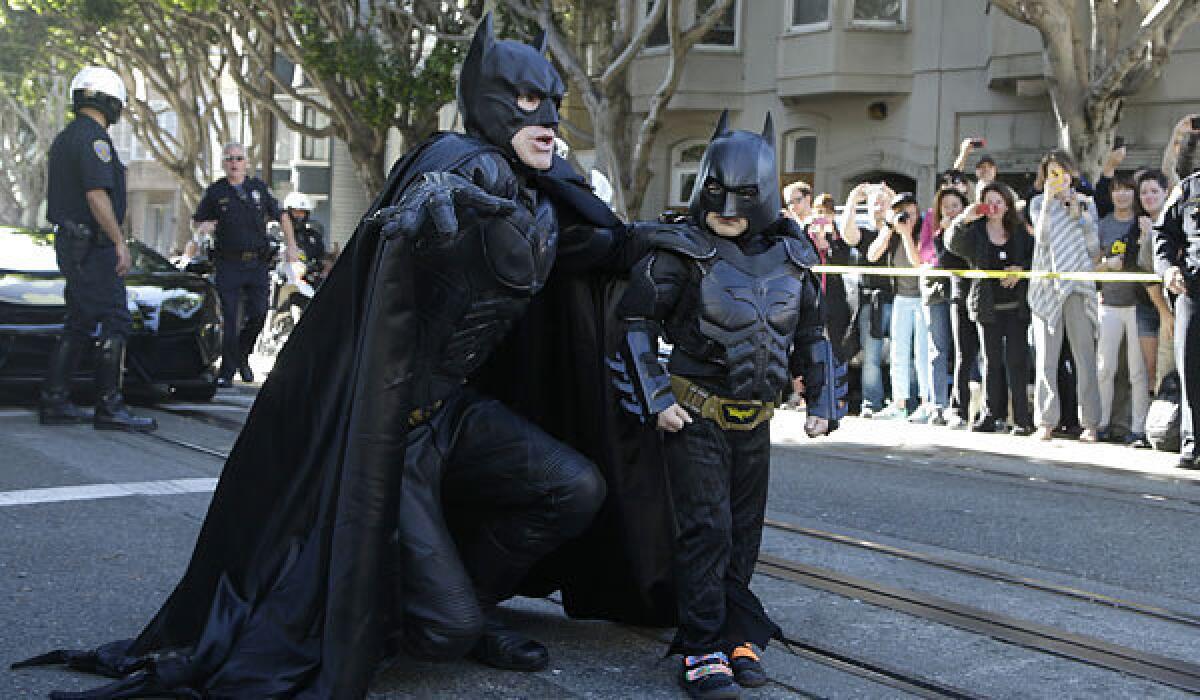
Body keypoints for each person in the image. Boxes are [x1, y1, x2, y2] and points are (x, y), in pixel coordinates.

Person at [17, 16, 676, 697]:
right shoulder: (456, 160)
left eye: (554, 102)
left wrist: (634, 243)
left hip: (455, 414)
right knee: (442, 633)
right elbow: (422, 195)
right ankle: (419, 612)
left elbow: (573, 252)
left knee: (575, 487)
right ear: (488, 98)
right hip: (389, 431)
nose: (547, 118)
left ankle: (467, 602)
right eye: (528, 101)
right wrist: (432, 198)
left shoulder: (543, 187)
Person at [611, 111, 843, 700]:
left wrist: (823, 396)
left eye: (744, 197)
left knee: (742, 533)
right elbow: (634, 324)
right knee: (706, 529)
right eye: (718, 194)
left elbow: (812, 333)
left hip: (754, 421)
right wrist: (655, 396)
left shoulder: (793, 257)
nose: (729, 208)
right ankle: (700, 645)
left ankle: (737, 633)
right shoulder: (681, 252)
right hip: (694, 414)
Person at [37, 66, 156, 433]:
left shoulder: (68, 136)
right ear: (109, 100)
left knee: (80, 320)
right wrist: (120, 242)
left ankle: (55, 400)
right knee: (115, 319)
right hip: (91, 245)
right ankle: (110, 407)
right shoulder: (94, 140)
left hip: (74, 243)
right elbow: (96, 194)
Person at [193, 142, 298, 387]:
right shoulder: (215, 192)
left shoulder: (258, 189)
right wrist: (204, 228)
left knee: (260, 314)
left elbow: (281, 215)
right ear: (223, 163)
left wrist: (291, 245)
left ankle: (243, 355)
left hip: (257, 263)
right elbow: (198, 221)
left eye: (239, 158)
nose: (234, 163)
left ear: (246, 162)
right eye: (229, 159)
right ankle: (227, 372)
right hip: (228, 263)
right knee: (229, 320)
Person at [945, 183, 1035, 434]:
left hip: (1016, 307)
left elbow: (1034, 256)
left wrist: (1021, 271)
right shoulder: (975, 232)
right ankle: (990, 414)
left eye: (999, 201)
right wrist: (964, 218)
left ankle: (1021, 419)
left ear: (1007, 204)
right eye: (989, 201)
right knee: (991, 362)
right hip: (988, 307)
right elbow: (953, 245)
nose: (994, 207)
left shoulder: (1018, 231)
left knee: (1017, 361)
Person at [1028, 151, 1103, 442]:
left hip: (1079, 286)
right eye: (1051, 173)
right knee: (1046, 357)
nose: (1057, 179)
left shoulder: (1087, 203)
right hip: (1048, 285)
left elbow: (1094, 248)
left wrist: (1080, 215)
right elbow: (1043, 237)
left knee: (1085, 357)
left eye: (1062, 172)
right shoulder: (1037, 204)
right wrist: (1048, 201)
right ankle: (1045, 422)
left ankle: (1091, 423)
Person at [1094, 174, 1151, 446]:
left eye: (1128, 190)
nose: (1122, 195)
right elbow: (1090, 266)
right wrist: (1107, 265)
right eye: (1117, 190)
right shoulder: (1103, 224)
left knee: (1138, 372)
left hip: (1139, 304)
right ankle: (1101, 424)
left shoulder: (1143, 222)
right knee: (1105, 368)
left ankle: (1139, 428)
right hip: (1109, 303)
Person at [1155, 139, 1200, 469]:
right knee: (1191, 366)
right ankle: (1193, 442)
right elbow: (1163, 236)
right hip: (1193, 289)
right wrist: (1168, 268)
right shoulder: (1188, 190)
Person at [869, 193, 932, 421]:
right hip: (901, 298)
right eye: (902, 213)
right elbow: (872, 255)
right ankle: (899, 403)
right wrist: (889, 228)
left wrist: (906, 233)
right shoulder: (893, 233)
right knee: (898, 352)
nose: (907, 218)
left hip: (923, 298)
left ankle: (927, 403)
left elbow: (917, 262)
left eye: (911, 213)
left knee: (923, 353)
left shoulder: (924, 231)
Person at [840, 181, 894, 417]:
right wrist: (852, 201)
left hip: (900, 298)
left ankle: (907, 401)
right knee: (870, 357)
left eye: (884, 202)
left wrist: (895, 202)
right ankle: (872, 403)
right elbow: (847, 234)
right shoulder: (865, 233)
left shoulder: (900, 229)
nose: (879, 206)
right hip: (870, 302)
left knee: (906, 355)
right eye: (875, 203)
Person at [922, 186, 970, 426]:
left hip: (962, 294)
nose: (950, 211)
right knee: (938, 350)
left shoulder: (971, 231)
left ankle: (962, 406)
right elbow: (931, 257)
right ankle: (937, 405)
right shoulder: (936, 232)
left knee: (964, 351)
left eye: (955, 206)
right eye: (946, 207)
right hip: (937, 292)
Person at [282, 191, 331, 277]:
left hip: (307, 279)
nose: (299, 215)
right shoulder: (278, 232)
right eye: (296, 211)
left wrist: (324, 267)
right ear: (288, 212)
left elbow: (322, 257)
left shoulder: (312, 235)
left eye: (302, 212)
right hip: (283, 278)